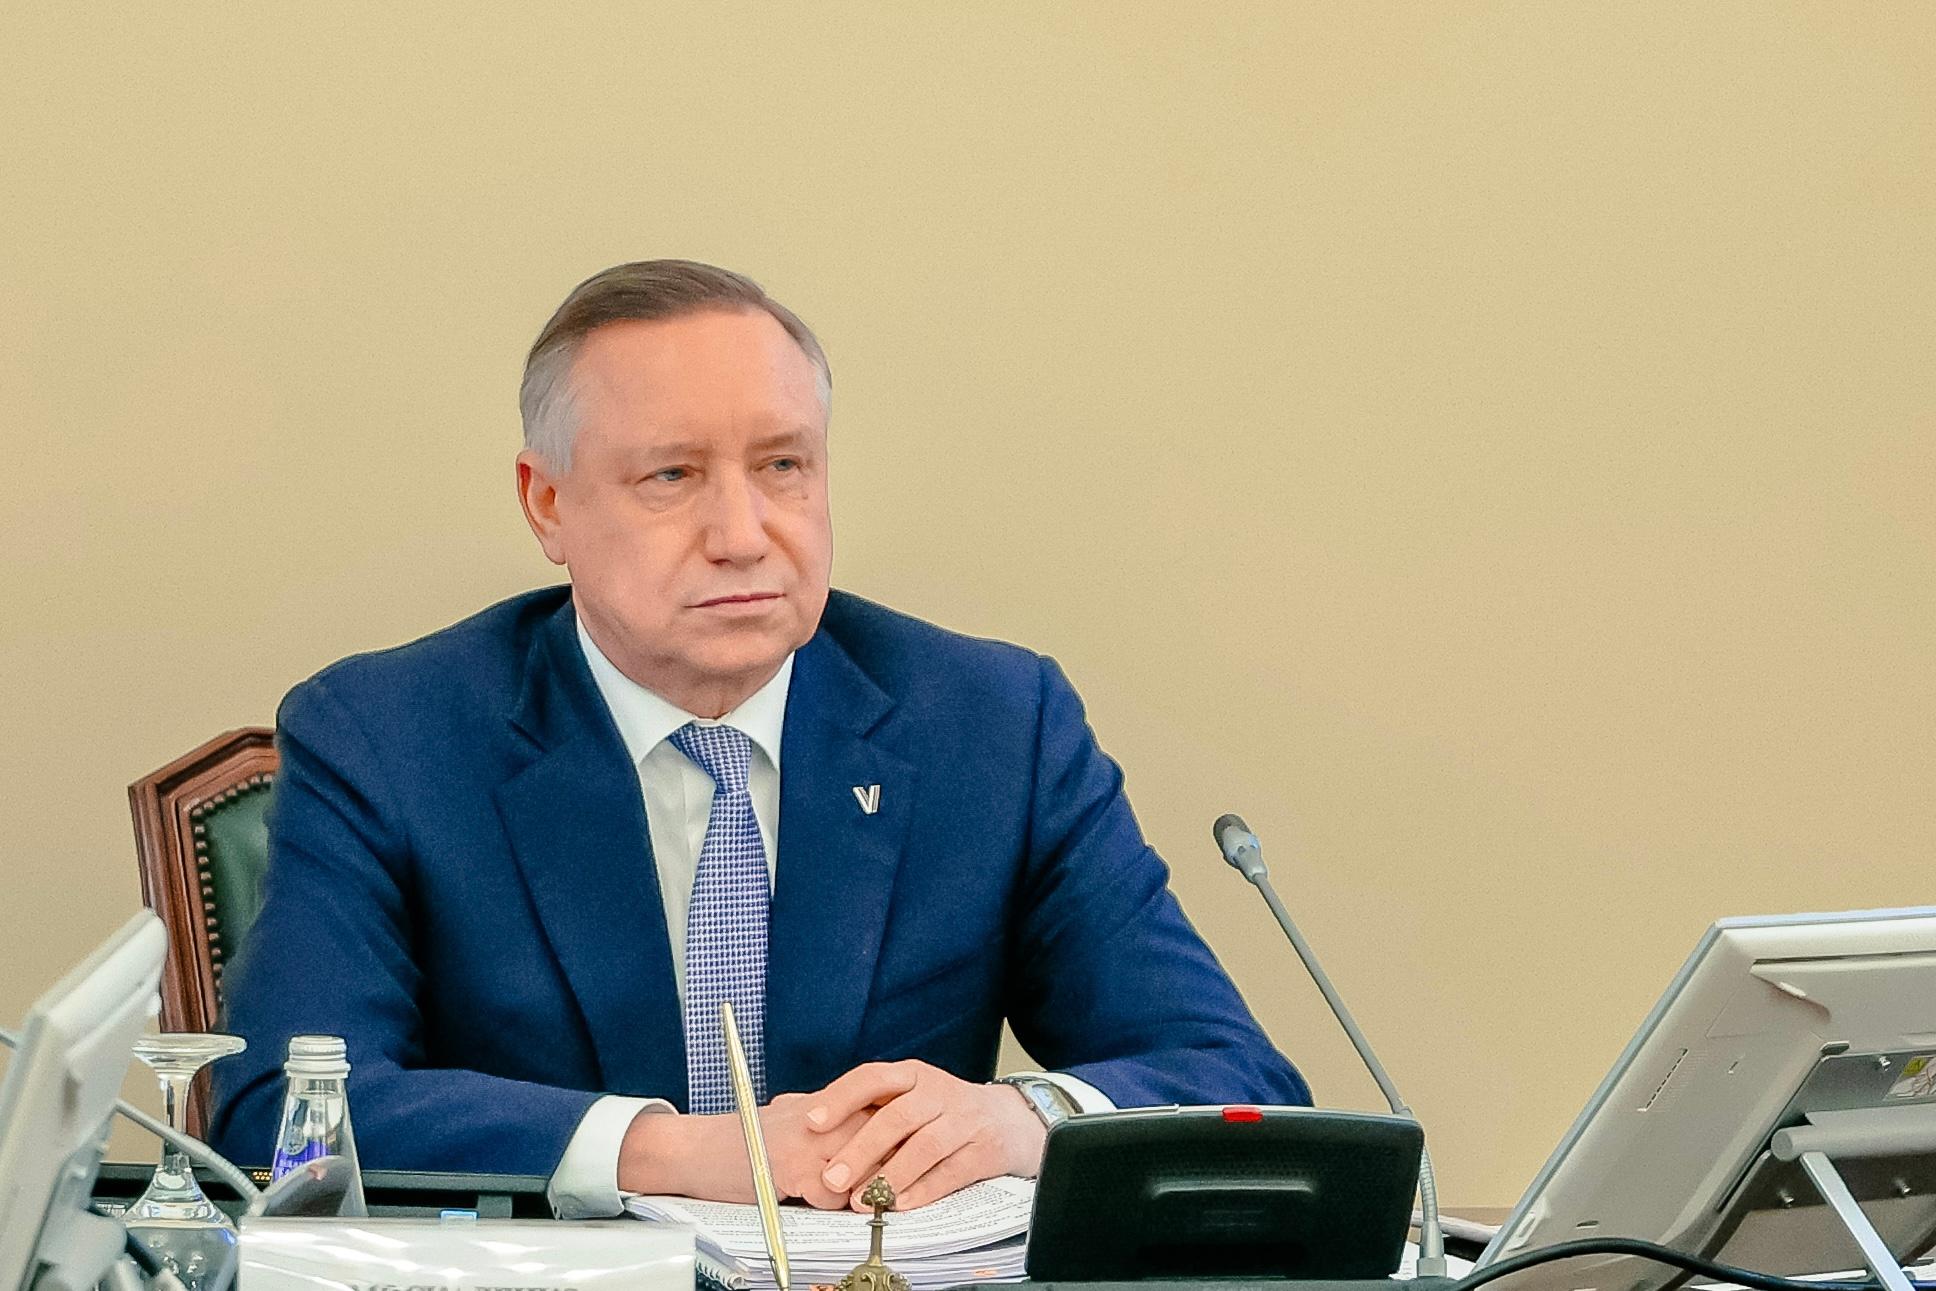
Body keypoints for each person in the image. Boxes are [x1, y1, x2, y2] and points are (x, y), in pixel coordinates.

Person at [211, 260, 1309, 1218]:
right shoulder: (389, 733)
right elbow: (280, 1112)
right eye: (672, 475)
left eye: (784, 466)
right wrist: (680, 1151)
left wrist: (1023, 1120)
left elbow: (1236, 1077)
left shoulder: (990, 725)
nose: (743, 536)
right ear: (546, 503)